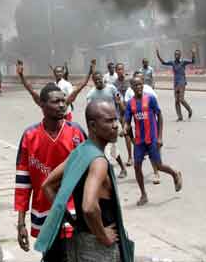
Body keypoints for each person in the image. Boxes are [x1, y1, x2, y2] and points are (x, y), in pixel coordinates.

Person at [38, 100, 134, 262]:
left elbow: (47, 185)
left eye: (115, 119)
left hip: (80, 240)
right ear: (93, 125)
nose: (116, 125)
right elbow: (89, 207)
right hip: (99, 249)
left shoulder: (80, 151)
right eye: (109, 121)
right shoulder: (99, 162)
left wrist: (73, 221)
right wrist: (103, 236)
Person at [15, 83, 86, 262]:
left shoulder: (76, 132)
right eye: (56, 101)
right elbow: (23, 183)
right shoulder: (29, 136)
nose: (62, 105)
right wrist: (21, 223)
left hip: (74, 212)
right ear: (42, 105)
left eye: (63, 101)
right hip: (44, 213)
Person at [124, 76, 183, 206]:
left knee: (159, 165)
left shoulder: (150, 99)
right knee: (137, 167)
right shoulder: (130, 103)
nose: (138, 87)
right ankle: (143, 195)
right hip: (139, 141)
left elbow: (159, 115)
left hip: (152, 138)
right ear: (132, 87)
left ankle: (175, 173)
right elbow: (127, 122)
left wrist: (160, 137)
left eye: (140, 84)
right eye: (135, 85)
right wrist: (124, 129)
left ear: (143, 84)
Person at [17, 59, 95, 122]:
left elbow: (77, 90)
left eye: (61, 100)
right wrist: (21, 76)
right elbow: (32, 91)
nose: (60, 104)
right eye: (55, 101)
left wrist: (89, 72)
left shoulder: (66, 85)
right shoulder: (52, 86)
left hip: (66, 116)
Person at [86, 72, 128, 179]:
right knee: (108, 147)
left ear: (103, 79)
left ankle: (108, 174)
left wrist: (122, 122)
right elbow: (89, 110)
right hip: (100, 124)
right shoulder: (91, 94)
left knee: (109, 148)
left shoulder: (111, 89)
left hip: (113, 121)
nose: (98, 82)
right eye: (95, 81)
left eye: (99, 79)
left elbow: (119, 101)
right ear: (93, 81)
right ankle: (121, 168)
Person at [156, 47, 196, 121]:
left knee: (181, 99)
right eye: (175, 54)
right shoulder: (172, 62)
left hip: (182, 82)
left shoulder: (183, 62)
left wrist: (193, 54)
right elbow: (163, 62)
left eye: (178, 54)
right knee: (176, 101)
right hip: (176, 83)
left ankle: (189, 110)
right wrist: (158, 55)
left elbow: (192, 61)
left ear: (180, 55)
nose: (176, 55)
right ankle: (180, 117)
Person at [112, 63, 133, 167]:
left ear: (124, 70)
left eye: (121, 69)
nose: (120, 71)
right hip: (121, 111)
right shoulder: (114, 84)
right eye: (118, 69)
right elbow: (114, 98)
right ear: (116, 71)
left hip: (131, 109)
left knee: (130, 133)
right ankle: (130, 157)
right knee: (127, 134)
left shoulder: (129, 81)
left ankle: (136, 152)